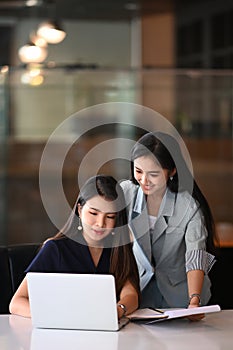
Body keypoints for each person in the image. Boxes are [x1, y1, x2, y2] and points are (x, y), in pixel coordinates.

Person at [9, 175, 140, 319]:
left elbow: (130, 294)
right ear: (79, 209)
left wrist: (119, 310)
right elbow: (17, 302)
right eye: (93, 213)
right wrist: (57, 318)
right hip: (60, 332)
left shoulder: (118, 250)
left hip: (104, 332)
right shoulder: (55, 249)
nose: (100, 223)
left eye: (109, 217)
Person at [120, 131, 218, 321]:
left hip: (182, 295)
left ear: (172, 171)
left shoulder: (188, 205)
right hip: (140, 293)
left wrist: (194, 301)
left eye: (153, 174)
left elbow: (195, 255)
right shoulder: (126, 193)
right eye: (138, 171)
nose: (144, 181)